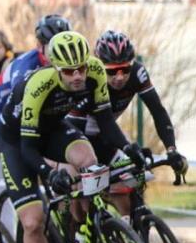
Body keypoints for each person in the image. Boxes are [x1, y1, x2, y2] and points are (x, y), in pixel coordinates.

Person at [0, 31, 144, 243]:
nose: (77, 76)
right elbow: (28, 148)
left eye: (81, 69)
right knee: (33, 221)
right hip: (18, 142)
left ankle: (87, 231)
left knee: (88, 159)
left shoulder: (96, 71)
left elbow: (106, 122)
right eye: (69, 71)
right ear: (55, 68)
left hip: (53, 130)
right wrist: (49, 172)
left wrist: (128, 148)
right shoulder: (37, 85)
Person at [68, 31, 186, 215]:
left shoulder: (138, 73)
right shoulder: (88, 80)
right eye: (111, 71)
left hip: (107, 136)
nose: (120, 77)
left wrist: (171, 149)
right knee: (81, 208)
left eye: (125, 69)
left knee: (132, 185)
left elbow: (158, 111)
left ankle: (132, 227)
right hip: (76, 136)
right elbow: (94, 125)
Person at [0, 15, 71, 212]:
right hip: (2, 119)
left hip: (34, 119)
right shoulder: (26, 68)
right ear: (40, 46)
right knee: (31, 162)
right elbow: (22, 116)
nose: (60, 50)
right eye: (53, 45)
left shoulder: (70, 64)